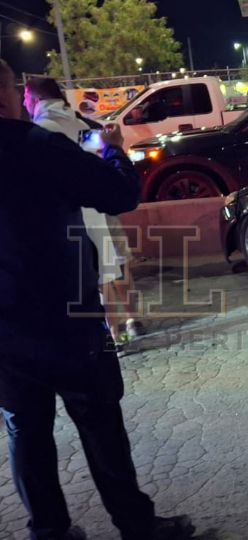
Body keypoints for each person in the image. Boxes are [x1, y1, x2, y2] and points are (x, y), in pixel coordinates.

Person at [0, 60, 194, 540]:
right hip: (66, 313)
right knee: (100, 420)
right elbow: (118, 194)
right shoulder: (37, 147)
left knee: (25, 427)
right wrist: (113, 151)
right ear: (6, 90)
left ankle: (48, 530)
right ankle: (136, 524)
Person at [23, 76, 146, 345]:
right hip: (96, 211)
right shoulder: (81, 125)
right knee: (107, 277)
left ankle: (108, 338)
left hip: (68, 218)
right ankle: (120, 334)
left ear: (35, 99)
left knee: (89, 283)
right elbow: (99, 163)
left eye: (25, 99)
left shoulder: (40, 131)